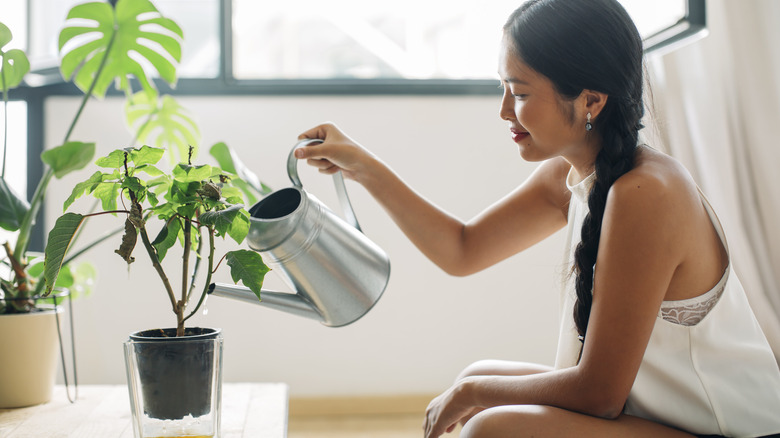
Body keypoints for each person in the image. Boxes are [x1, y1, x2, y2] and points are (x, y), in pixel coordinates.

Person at [294, 0, 780, 436]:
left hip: (729, 431)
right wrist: (363, 166)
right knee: (477, 376)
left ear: (592, 100)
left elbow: (601, 395)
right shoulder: (571, 175)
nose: (504, 110)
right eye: (504, 88)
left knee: (491, 426)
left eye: (520, 93)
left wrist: (477, 394)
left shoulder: (646, 193)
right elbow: (463, 250)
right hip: (651, 416)